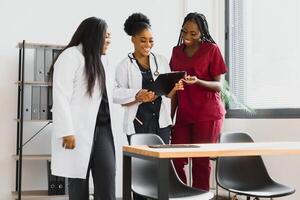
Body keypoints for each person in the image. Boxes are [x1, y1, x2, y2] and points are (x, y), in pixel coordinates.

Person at [50, 17, 116, 200]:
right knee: (78, 184)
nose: (109, 41)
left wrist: (136, 95)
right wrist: (67, 131)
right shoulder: (71, 56)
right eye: (106, 36)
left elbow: (110, 93)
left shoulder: (104, 60)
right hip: (77, 131)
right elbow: (60, 96)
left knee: (107, 179)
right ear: (94, 36)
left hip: (103, 129)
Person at [170, 12, 228, 191]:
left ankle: (198, 196)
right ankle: (180, 194)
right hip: (184, 113)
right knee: (175, 160)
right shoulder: (176, 51)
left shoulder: (212, 49)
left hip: (207, 114)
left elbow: (219, 86)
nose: (187, 37)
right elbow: (174, 86)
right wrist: (170, 118)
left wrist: (198, 81)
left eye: (193, 33)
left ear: (202, 32)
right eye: (184, 31)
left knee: (200, 162)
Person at [113, 12, 183, 145]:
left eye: (151, 40)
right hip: (138, 123)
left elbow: (168, 95)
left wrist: (174, 87)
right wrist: (137, 96)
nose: (148, 44)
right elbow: (117, 95)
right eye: (143, 40)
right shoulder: (124, 65)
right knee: (141, 164)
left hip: (161, 123)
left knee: (163, 163)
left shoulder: (161, 61)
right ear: (133, 39)